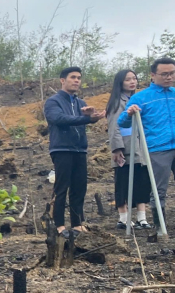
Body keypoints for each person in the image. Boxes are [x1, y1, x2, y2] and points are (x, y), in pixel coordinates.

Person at [44, 67, 105, 237]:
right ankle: (59, 225)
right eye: (73, 77)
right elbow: (59, 119)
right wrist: (87, 118)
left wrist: (92, 116)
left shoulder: (81, 103)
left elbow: (84, 120)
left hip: (80, 149)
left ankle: (77, 224)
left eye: (79, 78)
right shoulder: (53, 102)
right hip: (62, 149)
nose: (76, 80)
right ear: (62, 80)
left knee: (79, 187)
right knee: (62, 187)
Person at [119, 57, 175, 227]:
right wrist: (129, 113)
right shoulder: (141, 97)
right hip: (158, 149)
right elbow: (122, 122)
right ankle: (160, 227)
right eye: (164, 74)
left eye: (172, 73)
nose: (169, 77)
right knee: (159, 190)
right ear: (153, 75)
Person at [106, 69, 150, 230]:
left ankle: (141, 218)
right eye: (127, 79)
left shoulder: (137, 99)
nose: (132, 82)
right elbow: (114, 126)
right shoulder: (117, 102)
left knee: (141, 181)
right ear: (120, 82)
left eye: (134, 78)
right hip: (125, 148)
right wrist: (117, 148)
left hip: (140, 148)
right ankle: (123, 218)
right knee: (123, 182)